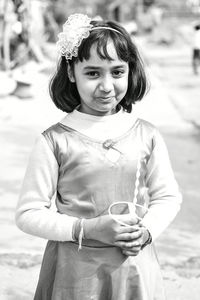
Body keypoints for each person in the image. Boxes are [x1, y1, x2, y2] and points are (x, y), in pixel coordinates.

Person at [15, 13, 182, 300]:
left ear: (130, 71)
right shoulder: (55, 141)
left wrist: (147, 231)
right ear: (71, 73)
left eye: (117, 72)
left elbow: (167, 197)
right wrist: (86, 228)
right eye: (93, 73)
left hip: (134, 269)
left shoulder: (147, 135)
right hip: (74, 275)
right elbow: (28, 214)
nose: (106, 86)